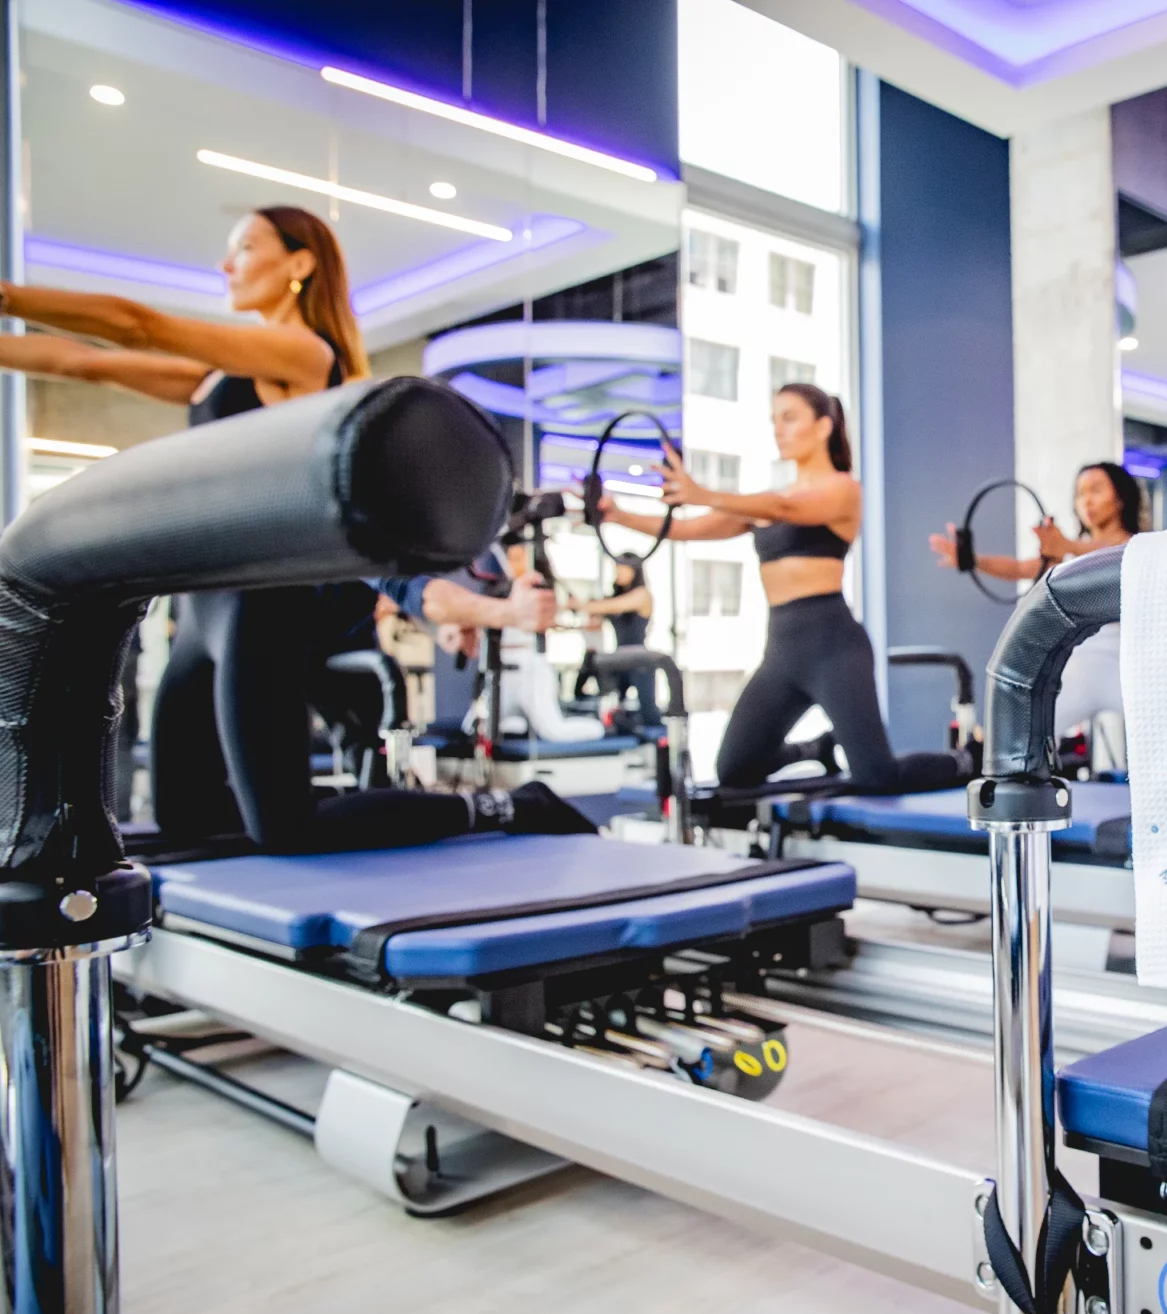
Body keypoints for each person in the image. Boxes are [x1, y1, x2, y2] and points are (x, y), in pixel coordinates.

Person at [0, 205, 590, 850]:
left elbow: (137, 324)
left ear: (299, 264)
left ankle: (509, 806)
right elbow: (84, 363)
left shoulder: (307, 355)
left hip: (264, 606)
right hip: (201, 612)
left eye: (245, 247)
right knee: (187, 818)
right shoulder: (220, 375)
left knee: (288, 827)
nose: (228, 263)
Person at [596, 383, 965, 791]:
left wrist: (702, 492)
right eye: (774, 420)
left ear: (824, 426)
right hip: (782, 651)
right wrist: (618, 516)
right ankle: (813, 751)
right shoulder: (767, 502)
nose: (779, 429)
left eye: (790, 418)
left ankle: (965, 761)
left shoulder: (842, 489)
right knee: (734, 770)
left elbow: (787, 508)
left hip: (833, 646)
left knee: (878, 776)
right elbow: (685, 529)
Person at [929, 461, 1145, 738]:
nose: (1086, 500)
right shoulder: (1070, 551)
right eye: (1080, 494)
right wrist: (973, 561)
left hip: (1128, 661)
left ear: (1121, 498)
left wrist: (1066, 546)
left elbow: (1112, 555)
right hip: (1080, 659)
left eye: (1096, 490)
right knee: (1025, 731)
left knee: (1160, 736)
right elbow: (1022, 568)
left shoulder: (1139, 545)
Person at [570, 555, 662, 729]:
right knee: (613, 708)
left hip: (639, 659)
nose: (617, 572)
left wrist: (581, 604)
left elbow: (608, 606)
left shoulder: (641, 595)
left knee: (649, 711)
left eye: (622, 568)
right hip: (618, 660)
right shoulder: (615, 597)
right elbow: (596, 618)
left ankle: (659, 747)